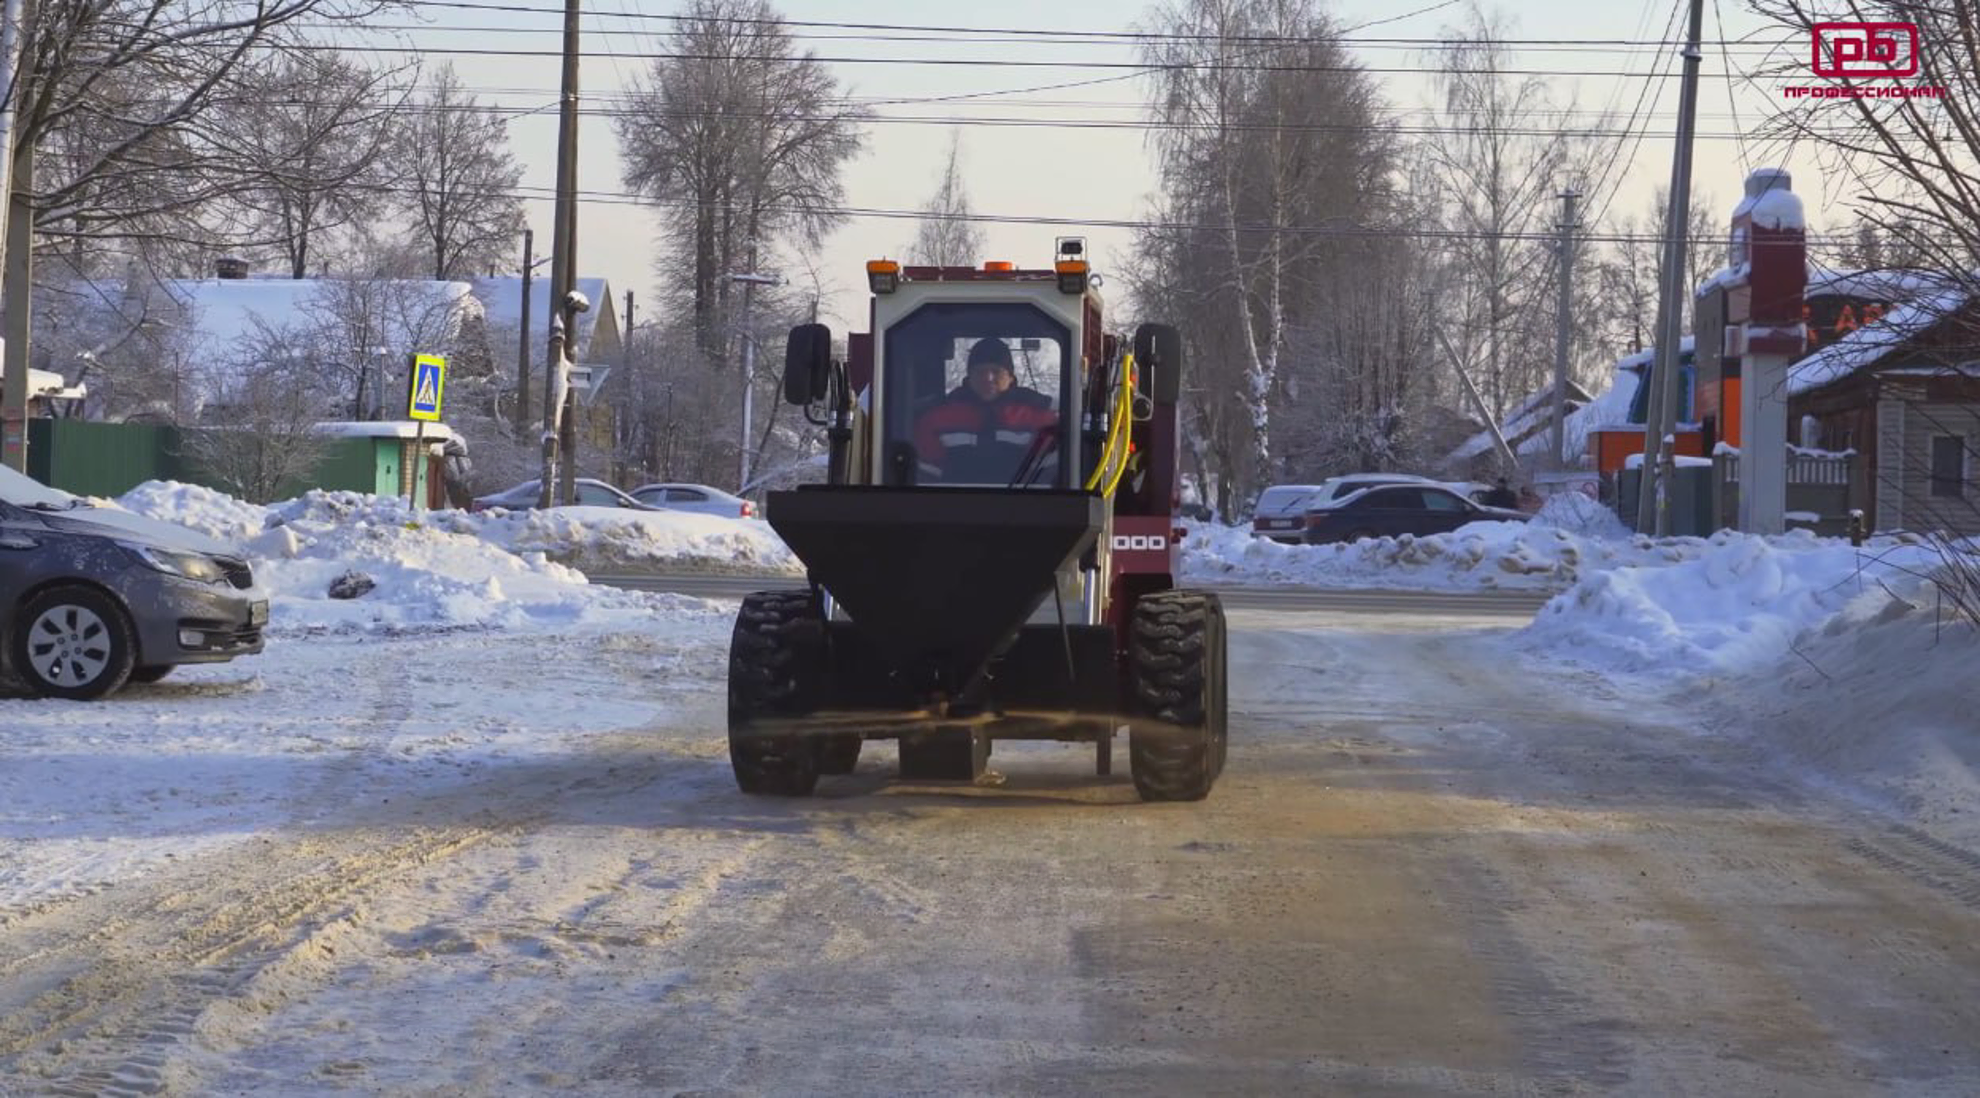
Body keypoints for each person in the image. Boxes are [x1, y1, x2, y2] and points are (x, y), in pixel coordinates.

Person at [913, 337, 1057, 484]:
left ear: (1011, 377)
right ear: (969, 377)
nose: (988, 378)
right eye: (980, 371)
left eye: (996, 371)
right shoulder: (936, 421)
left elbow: (1049, 477)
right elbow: (926, 480)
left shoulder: (1041, 421)